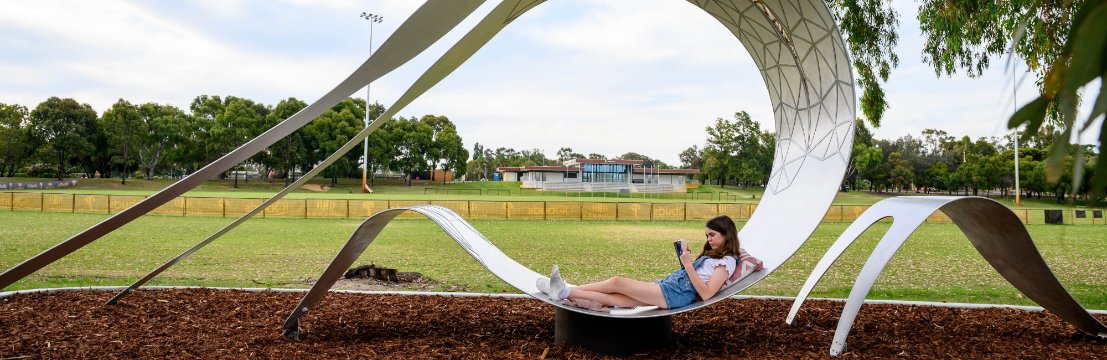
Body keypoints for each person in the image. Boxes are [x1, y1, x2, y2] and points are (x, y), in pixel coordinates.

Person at [536, 215, 742, 311]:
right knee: (618, 298)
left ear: (727, 234)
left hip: (676, 293)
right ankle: (563, 292)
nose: (709, 240)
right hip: (671, 288)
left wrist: (688, 265)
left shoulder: (726, 262)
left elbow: (706, 294)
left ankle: (563, 288)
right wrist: (684, 261)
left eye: (713, 235)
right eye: (707, 235)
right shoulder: (715, 256)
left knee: (618, 282)